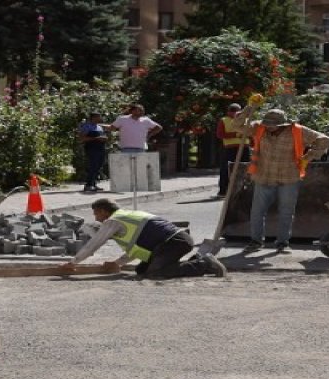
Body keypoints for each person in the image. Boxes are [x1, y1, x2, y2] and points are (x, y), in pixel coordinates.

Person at [59, 198, 226, 279]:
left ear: (104, 211)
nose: (96, 218)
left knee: (155, 273)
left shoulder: (113, 221)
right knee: (142, 271)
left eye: (96, 214)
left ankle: (204, 264)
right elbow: (135, 248)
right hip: (172, 242)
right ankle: (197, 260)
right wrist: (118, 263)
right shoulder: (126, 216)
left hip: (173, 242)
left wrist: (73, 263)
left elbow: (94, 244)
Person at [243, 109, 329, 254]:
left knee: (286, 212)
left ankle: (282, 242)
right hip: (264, 177)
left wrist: (308, 157)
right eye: (267, 124)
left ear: (282, 124)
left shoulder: (298, 131)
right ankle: (256, 241)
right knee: (257, 212)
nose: (269, 127)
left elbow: (325, 140)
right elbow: (237, 126)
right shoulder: (259, 127)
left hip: (289, 178)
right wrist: (248, 108)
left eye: (272, 125)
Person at [215, 103, 249, 197]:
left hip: (244, 148)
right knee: (226, 169)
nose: (235, 113)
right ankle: (223, 190)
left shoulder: (246, 120)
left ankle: (243, 191)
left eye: (237, 111)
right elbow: (220, 134)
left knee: (245, 169)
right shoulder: (224, 120)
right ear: (228, 112)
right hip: (230, 148)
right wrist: (236, 135)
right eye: (232, 111)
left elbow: (251, 133)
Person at [77, 113, 108, 193]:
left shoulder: (99, 127)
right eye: (98, 117)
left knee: (99, 166)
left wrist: (104, 138)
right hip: (92, 149)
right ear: (93, 118)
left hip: (101, 148)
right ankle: (88, 185)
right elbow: (82, 138)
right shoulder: (86, 126)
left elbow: (103, 136)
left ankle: (93, 184)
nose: (100, 118)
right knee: (93, 166)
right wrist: (96, 138)